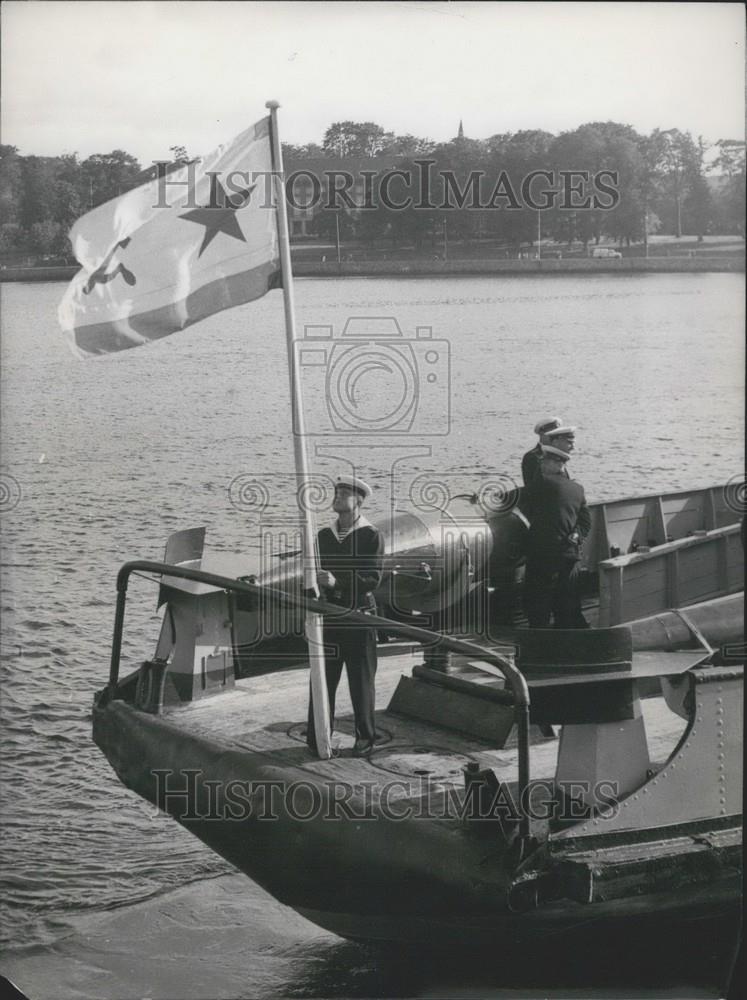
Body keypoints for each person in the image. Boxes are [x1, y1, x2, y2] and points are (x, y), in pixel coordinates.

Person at [307, 475, 385, 757]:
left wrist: (337, 581)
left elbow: (372, 579)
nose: (337, 496)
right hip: (330, 616)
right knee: (322, 677)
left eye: (344, 493)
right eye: (336, 491)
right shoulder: (323, 536)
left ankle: (365, 738)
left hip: (359, 616)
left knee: (360, 680)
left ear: (358, 501)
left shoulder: (370, 535)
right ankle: (318, 735)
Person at [523, 444, 591, 628]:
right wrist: (576, 535)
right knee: (566, 604)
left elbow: (517, 498)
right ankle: (566, 643)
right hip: (569, 555)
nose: (542, 464)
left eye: (545, 461)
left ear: (556, 463)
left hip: (542, 554)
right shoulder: (577, 488)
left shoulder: (542, 484)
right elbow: (586, 522)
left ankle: (538, 644)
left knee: (537, 604)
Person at [521, 416, 562, 486]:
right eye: (552, 435)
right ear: (541, 433)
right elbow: (531, 486)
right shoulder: (532, 456)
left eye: (557, 435)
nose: (556, 438)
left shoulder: (558, 455)